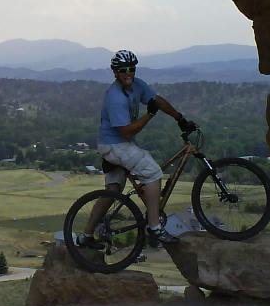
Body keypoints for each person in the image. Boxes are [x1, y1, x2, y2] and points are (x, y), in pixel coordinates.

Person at [77, 49, 196, 248]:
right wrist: (148, 116)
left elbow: (156, 99)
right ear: (115, 72)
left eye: (131, 68)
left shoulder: (137, 85)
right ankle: (154, 227)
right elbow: (126, 133)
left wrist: (179, 118)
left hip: (115, 145)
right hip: (115, 145)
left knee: (113, 191)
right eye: (123, 70)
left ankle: (86, 236)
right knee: (153, 173)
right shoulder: (115, 97)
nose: (128, 73)